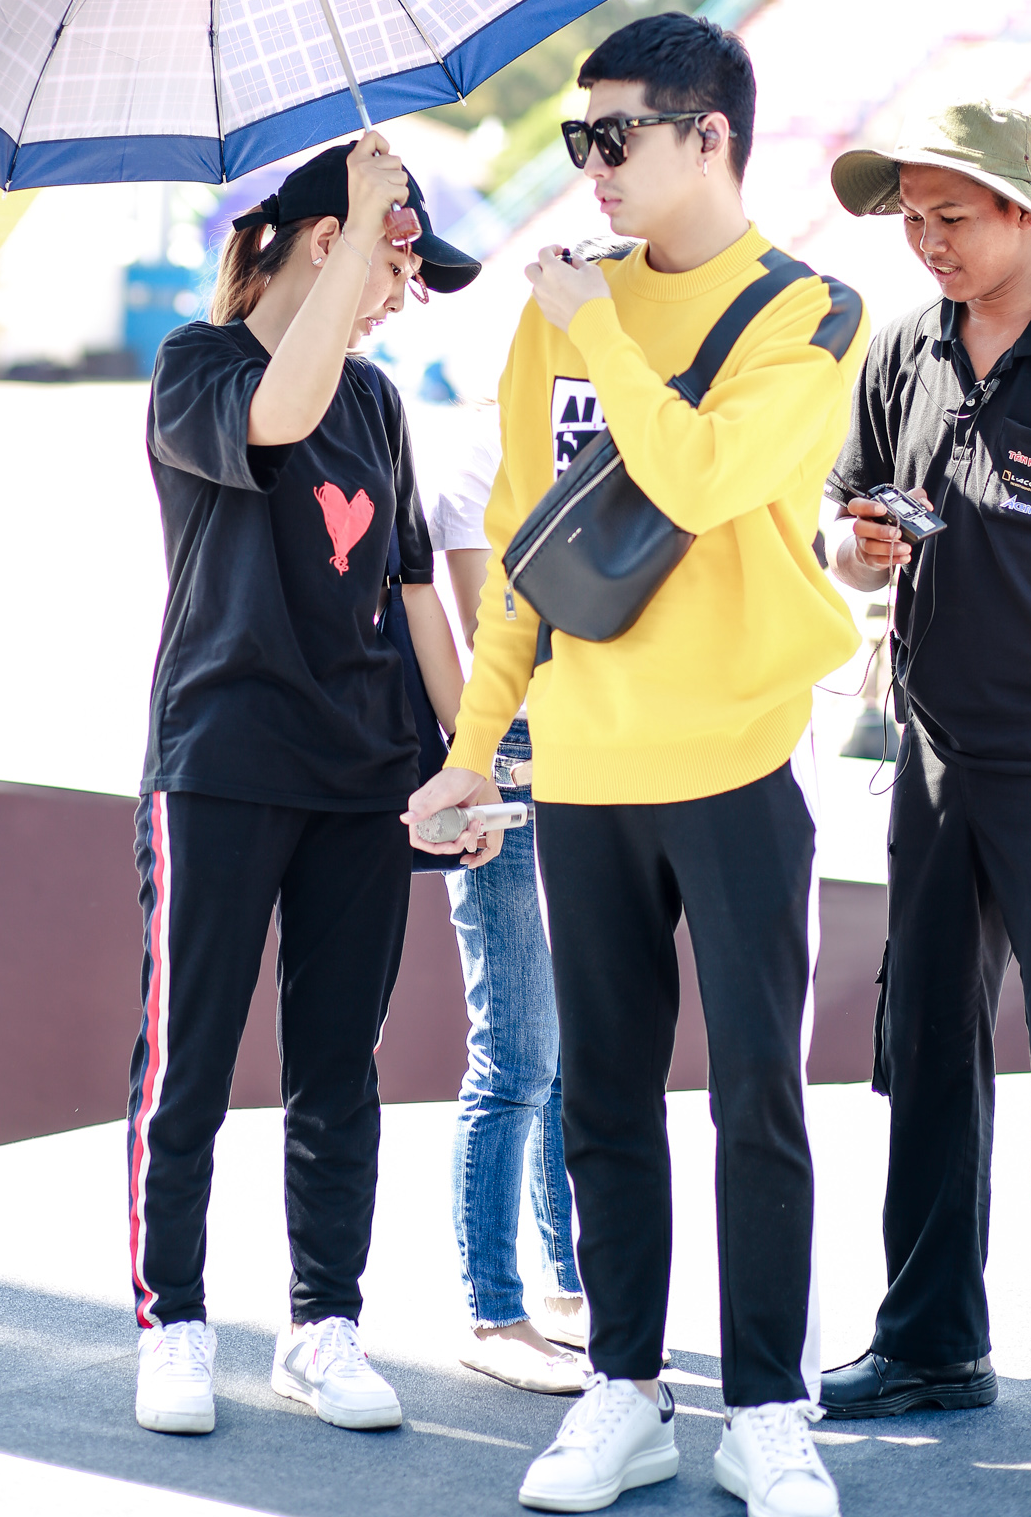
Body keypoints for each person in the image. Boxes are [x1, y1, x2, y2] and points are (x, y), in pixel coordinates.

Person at [405, 11, 869, 1517]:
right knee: (602, 1096)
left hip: (740, 757)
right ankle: (623, 1390)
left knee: (757, 1098)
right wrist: (473, 749)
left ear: (708, 137)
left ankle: (768, 1408)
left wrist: (599, 326)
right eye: (577, 138)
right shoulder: (556, 313)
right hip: (585, 766)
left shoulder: (810, 311)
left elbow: (705, 474)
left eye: (615, 135)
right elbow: (525, 556)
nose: (590, 164)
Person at [128, 132, 482, 1440]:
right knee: (191, 1062)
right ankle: (172, 1319)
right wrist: (365, 211)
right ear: (327, 244)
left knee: (339, 1067)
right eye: (393, 265)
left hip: (362, 776)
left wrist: (467, 755)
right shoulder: (198, 366)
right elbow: (275, 416)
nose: (401, 297)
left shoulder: (378, 404)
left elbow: (411, 593)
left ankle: (323, 1324)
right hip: (220, 764)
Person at [819, 102, 1031, 1481]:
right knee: (927, 1050)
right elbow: (844, 532)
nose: (927, 241)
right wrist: (862, 548)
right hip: (933, 754)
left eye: (950, 215)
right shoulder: (903, 345)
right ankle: (929, 1342)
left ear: (1024, 212)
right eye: (910, 218)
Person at [429, 419, 587, 1394]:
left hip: (607, 749)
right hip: (511, 754)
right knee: (518, 1052)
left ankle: (570, 1287)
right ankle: (493, 1308)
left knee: (574, 1048)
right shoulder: (483, 447)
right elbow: (490, 641)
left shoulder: (628, 414)